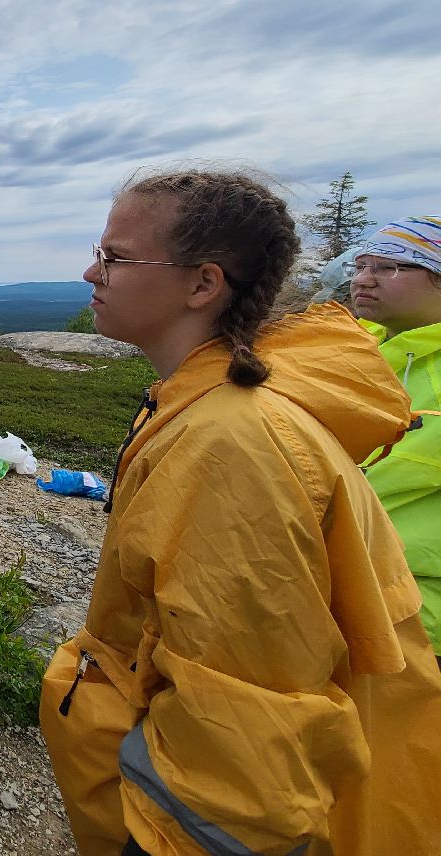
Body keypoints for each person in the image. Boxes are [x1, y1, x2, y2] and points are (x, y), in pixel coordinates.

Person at [40, 170, 441, 856]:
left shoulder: (232, 447)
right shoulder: (206, 401)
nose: (90, 271)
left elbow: (246, 734)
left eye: (116, 257)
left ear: (203, 285)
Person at [351, 216, 441, 658]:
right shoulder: (340, 349)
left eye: (389, 268)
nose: (364, 280)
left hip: (421, 618)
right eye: (360, 266)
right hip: (328, 594)